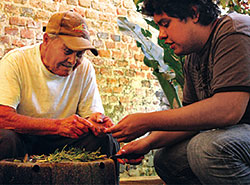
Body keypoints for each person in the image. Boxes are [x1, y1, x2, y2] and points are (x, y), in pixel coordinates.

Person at [105, 0, 250, 184]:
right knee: (167, 159)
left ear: (194, 13)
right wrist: (146, 143)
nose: (161, 35)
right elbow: (192, 122)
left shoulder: (234, 30)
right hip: (239, 136)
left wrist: (146, 121)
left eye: (166, 24)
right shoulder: (192, 56)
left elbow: (228, 110)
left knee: (206, 148)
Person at [0, 10, 119, 168]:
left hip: (63, 142)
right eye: (68, 51)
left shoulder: (84, 68)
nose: (72, 60)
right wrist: (57, 126)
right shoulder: (16, 61)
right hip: (24, 138)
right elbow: (3, 117)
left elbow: (91, 115)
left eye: (80, 54)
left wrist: (97, 122)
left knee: (106, 140)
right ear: (46, 40)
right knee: (5, 137)